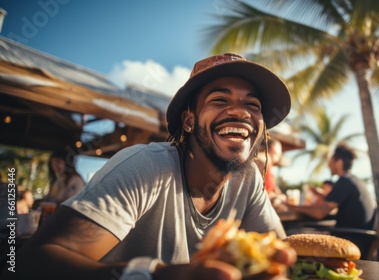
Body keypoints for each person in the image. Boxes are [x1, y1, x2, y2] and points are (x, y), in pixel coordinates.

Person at [7, 53, 296, 280]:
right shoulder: (147, 167)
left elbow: (286, 257)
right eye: (219, 99)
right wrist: (159, 275)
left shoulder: (249, 182)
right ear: (188, 121)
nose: (240, 111)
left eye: (253, 105)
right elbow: (35, 263)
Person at [286, 143, 375, 230]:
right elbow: (332, 201)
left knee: (297, 231)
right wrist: (318, 193)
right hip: (360, 236)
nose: (328, 165)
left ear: (339, 162)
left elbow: (319, 213)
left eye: (330, 160)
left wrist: (291, 207)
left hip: (350, 238)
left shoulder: (344, 182)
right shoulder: (353, 180)